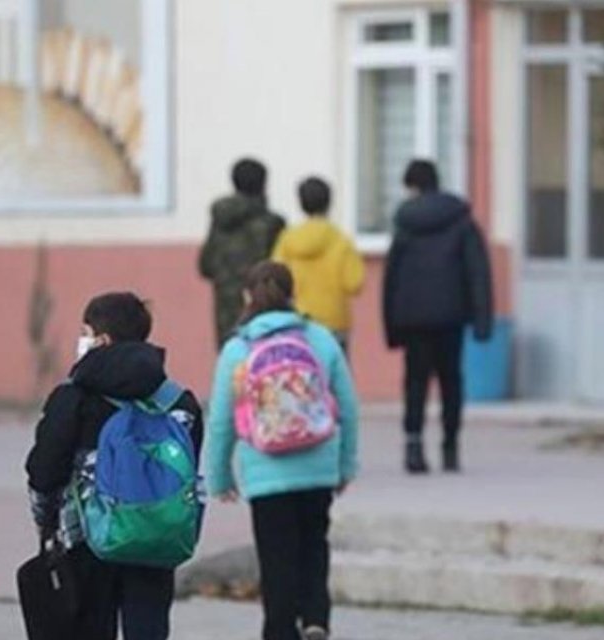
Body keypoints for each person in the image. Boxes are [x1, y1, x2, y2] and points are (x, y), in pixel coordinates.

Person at [25, 292, 204, 640]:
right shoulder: (180, 402)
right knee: (147, 629)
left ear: (102, 340)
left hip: (88, 538)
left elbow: (44, 469)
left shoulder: (72, 397)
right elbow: (188, 468)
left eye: (85, 333)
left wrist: (46, 521)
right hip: (157, 533)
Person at [204, 261, 359, 640]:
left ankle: (280, 629)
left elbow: (222, 420)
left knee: (277, 558)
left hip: (266, 473)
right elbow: (348, 408)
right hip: (318, 467)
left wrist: (219, 476)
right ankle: (316, 618)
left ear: (246, 296)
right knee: (314, 547)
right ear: (292, 295)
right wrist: (345, 466)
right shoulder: (320, 339)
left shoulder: (238, 349)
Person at [382, 159, 493, 475]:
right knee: (451, 380)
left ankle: (414, 445)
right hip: (450, 315)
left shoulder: (405, 225)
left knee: (415, 381)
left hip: (413, 317)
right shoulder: (462, 222)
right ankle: (450, 445)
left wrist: (391, 326)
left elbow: (391, 278)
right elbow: (478, 272)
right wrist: (482, 319)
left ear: (412, 186)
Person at [199, 157, 287, 348]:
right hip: (265, 304)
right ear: (263, 184)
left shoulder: (221, 221)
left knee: (230, 357)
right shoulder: (273, 223)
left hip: (226, 308)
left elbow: (205, 265)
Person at [271, 176, 365, 352]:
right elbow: (354, 283)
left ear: (301, 204)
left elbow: (275, 278)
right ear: (329, 203)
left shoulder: (287, 239)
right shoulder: (340, 239)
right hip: (334, 321)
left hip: (297, 320)